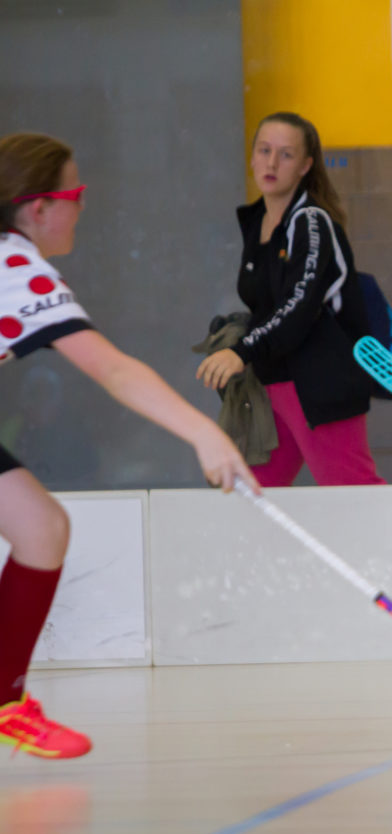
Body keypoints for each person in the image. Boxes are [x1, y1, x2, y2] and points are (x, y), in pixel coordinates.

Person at [0, 132, 260, 759]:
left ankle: (5, 704)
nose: (82, 207)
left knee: (40, 529)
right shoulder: (16, 265)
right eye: (76, 194)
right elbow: (112, 369)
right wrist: (203, 431)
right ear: (39, 206)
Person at [195, 112, 384, 487]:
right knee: (251, 496)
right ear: (251, 158)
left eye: (285, 154)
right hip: (271, 385)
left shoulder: (311, 222)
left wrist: (242, 351)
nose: (271, 162)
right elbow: (267, 306)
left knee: (355, 497)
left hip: (319, 386)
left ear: (305, 166)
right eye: (264, 150)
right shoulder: (257, 222)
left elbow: (299, 306)